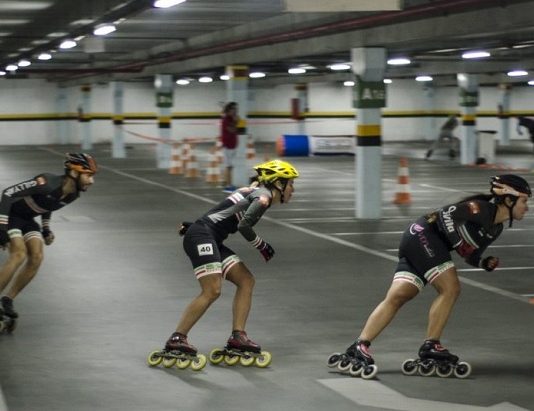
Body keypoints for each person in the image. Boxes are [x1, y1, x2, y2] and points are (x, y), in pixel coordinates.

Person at [335, 174, 531, 376]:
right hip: (425, 235)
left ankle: (359, 346)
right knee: (451, 288)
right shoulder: (480, 208)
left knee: (397, 297)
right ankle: (431, 345)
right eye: (524, 201)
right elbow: (445, 214)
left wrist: (483, 262)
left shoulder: (495, 228)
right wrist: (456, 241)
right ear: (509, 199)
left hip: (418, 241)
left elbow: (470, 254)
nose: (527, 207)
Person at [162, 159, 299, 357]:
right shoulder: (263, 198)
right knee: (212, 290)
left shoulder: (253, 190)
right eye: (291, 183)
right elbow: (244, 225)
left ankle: (238, 336)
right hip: (203, 236)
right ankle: (177, 338)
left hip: (208, 235)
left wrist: (194, 225)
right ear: (279, 183)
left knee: (246, 280)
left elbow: (222, 210)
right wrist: (261, 245)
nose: (292, 189)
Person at [0, 153, 97, 326]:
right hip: (10, 215)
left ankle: (7, 299)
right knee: (19, 255)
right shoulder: (45, 182)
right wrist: (1, 228)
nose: (91, 181)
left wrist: (46, 228)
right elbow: (7, 193)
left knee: (37, 257)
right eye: (88, 175)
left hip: (27, 220)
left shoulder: (72, 195)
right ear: (74, 173)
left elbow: (48, 206)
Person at [220, 102, 239, 193]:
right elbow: (232, 130)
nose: (235, 111)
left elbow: (235, 128)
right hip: (228, 145)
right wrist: (235, 123)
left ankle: (226, 182)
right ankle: (228, 186)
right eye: (233, 110)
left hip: (232, 145)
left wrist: (235, 121)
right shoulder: (226, 120)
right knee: (229, 166)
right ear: (228, 110)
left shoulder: (231, 119)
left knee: (230, 166)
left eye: (235, 110)